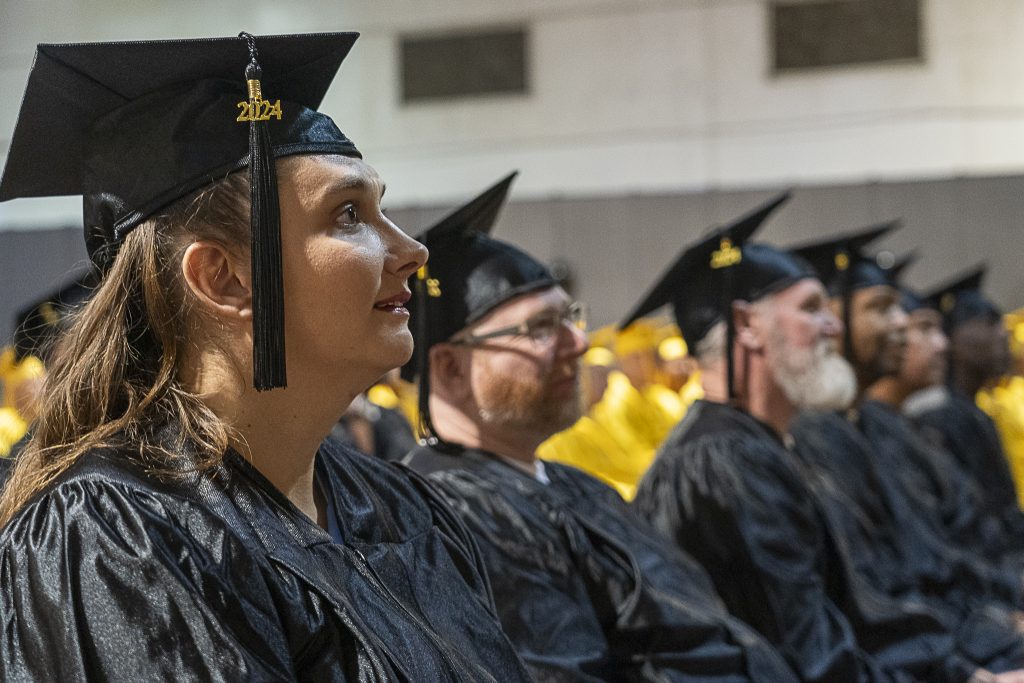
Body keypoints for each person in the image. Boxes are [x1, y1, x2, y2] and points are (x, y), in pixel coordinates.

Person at [0, 33, 531, 681]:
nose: (413, 249)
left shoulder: (402, 503)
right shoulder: (120, 532)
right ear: (223, 278)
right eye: (347, 214)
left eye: (380, 209)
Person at [402, 174, 799, 682]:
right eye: (542, 328)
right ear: (452, 367)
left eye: (571, 318)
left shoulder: (567, 484)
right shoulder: (452, 514)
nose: (581, 343)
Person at [631, 197, 1024, 683]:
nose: (833, 326)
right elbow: (805, 654)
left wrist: (964, 672)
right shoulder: (723, 460)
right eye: (812, 309)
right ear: (747, 326)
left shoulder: (767, 444)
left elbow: (860, 610)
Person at [906, 266, 1022, 530]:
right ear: (952, 336)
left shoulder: (975, 412)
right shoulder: (935, 420)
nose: (1004, 334)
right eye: (990, 322)